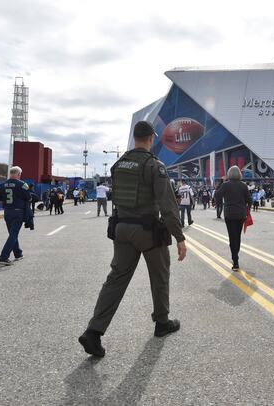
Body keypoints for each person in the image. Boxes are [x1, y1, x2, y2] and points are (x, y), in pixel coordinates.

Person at [79, 121, 187, 358]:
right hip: (147, 230)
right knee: (160, 275)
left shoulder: (119, 165)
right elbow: (168, 206)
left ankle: (94, 331)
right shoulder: (154, 166)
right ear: (150, 138)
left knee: (116, 279)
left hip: (122, 228)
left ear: (134, 138)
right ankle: (162, 322)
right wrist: (179, 237)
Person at [213, 166, 251, 271]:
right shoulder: (243, 186)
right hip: (240, 215)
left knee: (232, 237)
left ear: (229, 174)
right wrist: (247, 210)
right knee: (237, 237)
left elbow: (217, 195)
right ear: (239, 174)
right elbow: (249, 200)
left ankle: (235, 261)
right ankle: (236, 256)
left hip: (229, 215)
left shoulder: (225, 185)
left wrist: (221, 182)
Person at [0, 166, 31, 266]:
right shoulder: (22, 184)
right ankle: (3, 257)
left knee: (12, 234)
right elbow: (28, 198)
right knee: (13, 235)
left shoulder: (2, 185)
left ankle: (18, 254)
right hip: (17, 212)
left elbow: (0, 198)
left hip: (7, 212)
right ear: (19, 174)